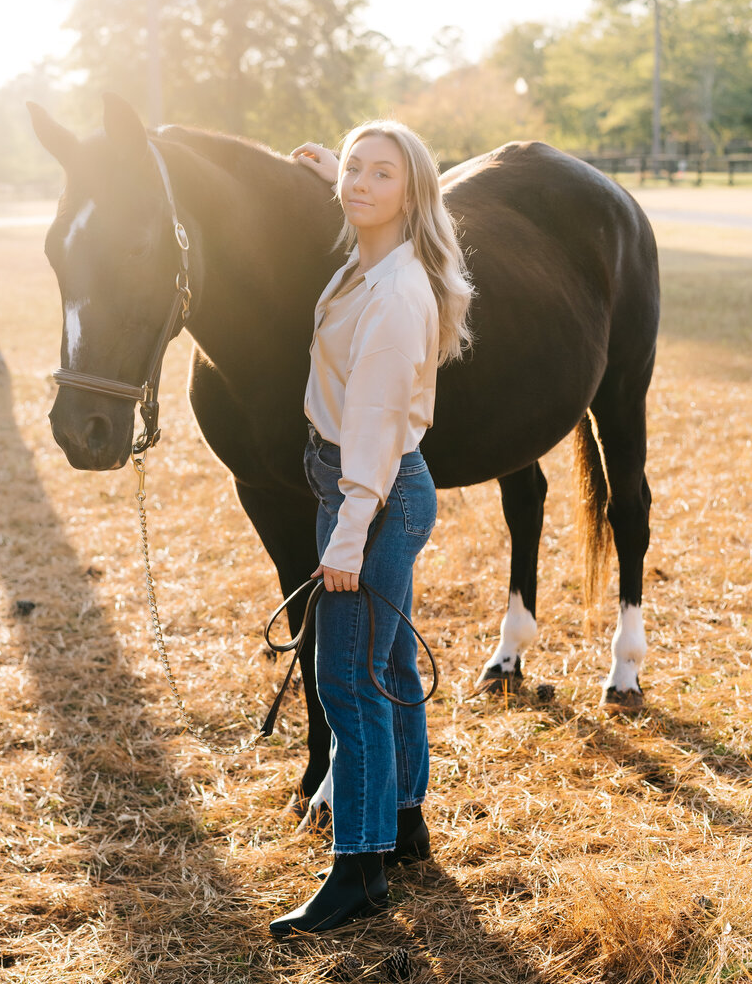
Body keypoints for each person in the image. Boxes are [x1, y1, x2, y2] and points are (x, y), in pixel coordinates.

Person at [269, 121, 474, 937]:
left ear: (411, 193)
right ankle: (406, 823)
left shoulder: (393, 295)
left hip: (375, 493)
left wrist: (346, 538)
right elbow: (361, 188)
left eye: (378, 175)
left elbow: (377, 427)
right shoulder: (381, 256)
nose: (357, 184)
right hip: (381, 487)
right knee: (387, 664)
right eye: (352, 169)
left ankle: (359, 866)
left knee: (347, 679)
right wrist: (335, 168)